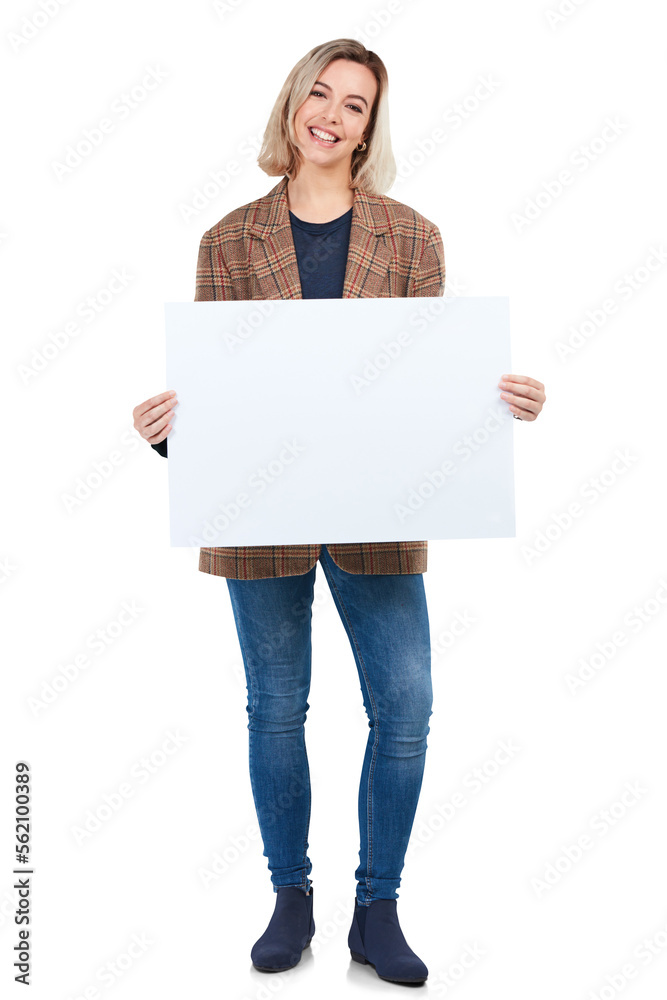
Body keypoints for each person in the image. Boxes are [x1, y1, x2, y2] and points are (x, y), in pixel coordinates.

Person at [133, 38, 546, 984]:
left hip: (378, 510)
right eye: (318, 93)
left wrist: (498, 408)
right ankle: (290, 900)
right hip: (260, 515)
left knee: (405, 710)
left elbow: (428, 392)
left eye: (353, 104)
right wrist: (168, 433)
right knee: (275, 710)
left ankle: (377, 908)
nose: (330, 113)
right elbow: (216, 398)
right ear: (291, 105)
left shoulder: (412, 237)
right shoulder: (227, 241)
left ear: (369, 129)